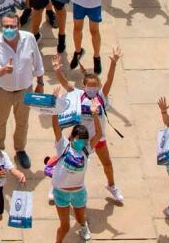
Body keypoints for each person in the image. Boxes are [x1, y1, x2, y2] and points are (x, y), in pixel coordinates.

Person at [51, 49, 125, 203]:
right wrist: (57, 70)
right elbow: (65, 83)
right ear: (84, 85)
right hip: (80, 139)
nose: (92, 89)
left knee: (107, 164)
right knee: (64, 161)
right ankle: (55, 186)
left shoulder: (101, 96)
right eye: (89, 86)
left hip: (98, 138)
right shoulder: (77, 94)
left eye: (95, 86)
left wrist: (113, 62)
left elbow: (110, 79)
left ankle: (111, 186)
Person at [0, 12, 43, 169]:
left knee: (22, 123)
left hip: (25, 90)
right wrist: (4, 70)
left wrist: (40, 82)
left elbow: (37, 61)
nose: (9, 29)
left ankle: (20, 150)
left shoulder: (29, 38)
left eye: (12, 26)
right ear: (1, 27)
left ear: (18, 26)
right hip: (2, 92)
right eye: (6, 26)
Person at [47, 112, 102, 243]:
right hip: (61, 193)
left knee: (80, 217)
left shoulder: (86, 149)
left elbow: (99, 133)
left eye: (84, 141)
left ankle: (83, 227)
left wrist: (96, 115)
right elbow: (55, 126)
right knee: (65, 225)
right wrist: (55, 111)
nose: (81, 143)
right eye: (79, 139)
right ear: (71, 137)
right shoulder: (63, 146)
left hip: (79, 191)